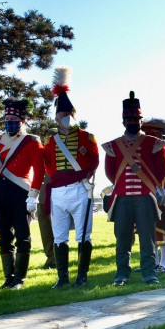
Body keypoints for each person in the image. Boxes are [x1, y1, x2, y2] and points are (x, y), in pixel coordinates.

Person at [103, 91, 165, 286]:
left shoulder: (153, 143)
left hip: (145, 198)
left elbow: (162, 169)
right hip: (122, 198)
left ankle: (149, 273)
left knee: (147, 238)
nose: (132, 122)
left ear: (141, 121)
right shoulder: (113, 145)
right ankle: (122, 274)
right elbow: (110, 173)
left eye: (136, 119)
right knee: (122, 238)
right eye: (129, 119)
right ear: (123, 122)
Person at [44, 67, 100, 288]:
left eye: (69, 115)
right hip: (58, 191)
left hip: (79, 189)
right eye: (62, 115)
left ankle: (82, 275)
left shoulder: (87, 137)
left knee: (83, 235)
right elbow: (48, 166)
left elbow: (94, 161)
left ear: (73, 115)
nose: (65, 118)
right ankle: (62, 276)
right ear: (57, 117)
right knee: (59, 237)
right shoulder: (51, 141)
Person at [0, 98, 44, 289]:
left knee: (23, 236)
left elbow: (39, 171)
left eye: (13, 119)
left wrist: (33, 195)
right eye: (7, 118)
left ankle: (20, 279)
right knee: (4, 237)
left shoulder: (31, 142)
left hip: (21, 194)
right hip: (1, 194)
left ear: (22, 121)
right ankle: (8, 278)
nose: (9, 122)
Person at [141, 118, 165, 272]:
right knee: (148, 230)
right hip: (145, 192)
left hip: (161, 192)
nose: (148, 135)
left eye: (152, 132)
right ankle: (153, 261)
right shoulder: (144, 148)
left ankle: (163, 262)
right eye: (146, 132)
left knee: (161, 229)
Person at [36, 174, 56, 269]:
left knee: (57, 233)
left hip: (54, 199)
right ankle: (50, 258)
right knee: (45, 233)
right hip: (40, 199)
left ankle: (58, 259)